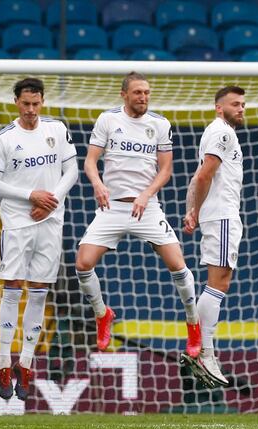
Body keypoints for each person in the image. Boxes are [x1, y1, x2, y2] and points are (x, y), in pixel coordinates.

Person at [75, 71, 200, 357]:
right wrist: (98, 184)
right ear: (124, 94)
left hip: (147, 207)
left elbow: (166, 169)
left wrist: (146, 195)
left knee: (178, 265)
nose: (143, 97)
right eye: (137, 93)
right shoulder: (108, 120)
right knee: (83, 264)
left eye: (146, 92)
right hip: (112, 206)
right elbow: (91, 161)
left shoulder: (159, 124)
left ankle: (193, 324)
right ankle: (102, 314)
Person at [0, 77, 78, 401]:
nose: (31, 110)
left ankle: (25, 363)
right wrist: (30, 196)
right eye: (26, 104)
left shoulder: (56, 129)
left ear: (42, 101)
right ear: (16, 102)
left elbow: (72, 171)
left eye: (36, 104)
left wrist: (50, 199)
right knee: (12, 287)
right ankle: (4, 363)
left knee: (39, 290)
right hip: (17, 222)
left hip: (50, 221)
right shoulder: (4, 138)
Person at [182, 86, 246, 387]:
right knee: (218, 282)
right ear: (219, 108)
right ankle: (203, 350)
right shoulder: (222, 132)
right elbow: (205, 174)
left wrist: (191, 210)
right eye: (235, 104)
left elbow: (198, 176)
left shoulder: (218, 132)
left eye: (243, 104)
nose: (241, 109)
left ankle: (201, 347)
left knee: (220, 281)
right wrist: (195, 209)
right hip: (222, 216)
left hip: (220, 215)